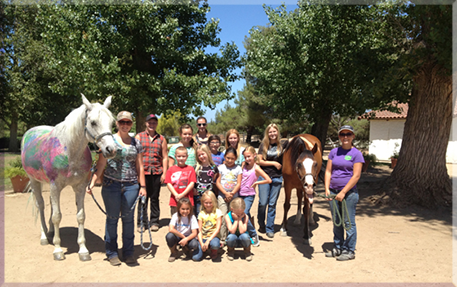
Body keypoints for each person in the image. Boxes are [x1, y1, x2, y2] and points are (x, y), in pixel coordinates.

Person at [86, 111, 146, 266]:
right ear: (117, 124)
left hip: (131, 185)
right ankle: (112, 252)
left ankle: (129, 252)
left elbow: (139, 166)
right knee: (112, 219)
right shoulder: (108, 140)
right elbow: (101, 163)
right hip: (111, 184)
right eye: (122, 122)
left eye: (128, 122)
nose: (125, 125)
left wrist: (143, 186)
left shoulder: (136, 143)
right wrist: (93, 181)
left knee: (128, 220)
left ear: (131, 124)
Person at [324, 125, 364, 261]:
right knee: (337, 221)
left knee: (348, 222)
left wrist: (343, 192)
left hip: (349, 194)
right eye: (342, 134)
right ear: (339, 137)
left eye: (348, 134)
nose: (345, 137)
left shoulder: (356, 154)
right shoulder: (333, 152)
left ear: (353, 136)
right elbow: (328, 171)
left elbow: (356, 176)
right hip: (333, 192)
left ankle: (349, 250)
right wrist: (327, 189)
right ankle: (338, 247)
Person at [136, 113, 168, 233]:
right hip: (143, 172)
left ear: (156, 124)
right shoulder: (139, 137)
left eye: (154, 122)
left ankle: (154, 221)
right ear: (146, 123)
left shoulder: (161, 139)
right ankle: (141, 222)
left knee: (155, 198)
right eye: (150, 122)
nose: (152, 124)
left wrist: (164, 173)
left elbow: (164, 157)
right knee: (142, 198)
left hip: (156, 172)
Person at [256, 123, 288, 239]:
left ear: (278, 132)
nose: (272, 134)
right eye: (270, 132)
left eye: (274, 131)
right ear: (267, 133)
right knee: (263, 202)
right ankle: (261, 224)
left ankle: (270, 228)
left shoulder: (283, 145)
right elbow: (259, 161)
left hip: (277, 177)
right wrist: (274, 163)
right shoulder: (263, 145)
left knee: (273, 204)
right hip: (264, 177)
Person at [215, 147, 242, 247]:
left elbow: (239, 183)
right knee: (222, 216)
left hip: (234, 197)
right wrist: (225, 193)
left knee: (233, 216)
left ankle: (232, 237)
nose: (230, 160)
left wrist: (231, 194)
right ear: (224, 157)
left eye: (232, 158)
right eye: (228, 158)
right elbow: (217, 182)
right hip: (222, 196)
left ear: (236, 158)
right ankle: (222, 238)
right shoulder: (220, 167)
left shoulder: (238, 168)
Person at [239, 146, 271, 227]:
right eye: (245, 157)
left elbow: (268, 180)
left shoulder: (257, 168)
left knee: (244, 213)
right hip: (240, 193)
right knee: (244, 213)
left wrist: (256, 183)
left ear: (254, 155)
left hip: (249, 194)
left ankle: (252, 232)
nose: (247, 159)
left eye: (249, 156)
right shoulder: (244, 166)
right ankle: (249, 228)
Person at [165, 146, 197, 216]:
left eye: (183, 156)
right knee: (175, 218)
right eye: (179, 156)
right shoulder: (171, 169)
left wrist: (182, 194)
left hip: (188, 199)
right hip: (175, 200)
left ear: (187, 156)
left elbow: (192, 183)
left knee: (189, 219)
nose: (181, 158)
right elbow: (168, 183)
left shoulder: (190, 169)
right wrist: (176, 195)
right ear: (175, 156)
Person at [165, 197, 199, 262]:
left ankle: (187, 249)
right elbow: (171, 229)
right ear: (179, 208)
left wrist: (186, 239)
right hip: (178, 236)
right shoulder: (175, 216)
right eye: (183, 209)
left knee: (194, 244)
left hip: (188, 237)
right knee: (169, 236)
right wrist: (183, 237)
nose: (185, 211)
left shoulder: (192, 217)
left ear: (190, 209)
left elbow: (194, 233)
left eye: (187, 209)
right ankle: (173, 252)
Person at [194, 190, 222, 261]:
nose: (208, 205)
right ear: (203, 203)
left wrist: (208, 241)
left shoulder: (218, 212)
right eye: (206, 203)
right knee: (196, 258)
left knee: (215, 244)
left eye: (210, 203)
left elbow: (218, 229)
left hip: (213, 237)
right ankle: (204, 249)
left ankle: (213, 251)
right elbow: (199, 230)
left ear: (214, 202)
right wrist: (201, 243)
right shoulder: (201, 213)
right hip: (203, 236)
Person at [193, 144, 219, 218]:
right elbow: (193, 181)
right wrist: (193, 189)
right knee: (199, 215)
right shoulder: (196, 168)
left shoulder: (214, 168)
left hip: (210, 197)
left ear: (208, 153)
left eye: (203, 154)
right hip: (199, 197)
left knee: (211, 215)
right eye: (199, 155)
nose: (201, 156)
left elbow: (213, 180)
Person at [225, 197, 252, 261]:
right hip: (233, 238)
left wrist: (240, 219)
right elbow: (232, 231)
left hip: (243, 238)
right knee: (231, 237)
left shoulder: (245, 216)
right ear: (232, 209)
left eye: (241, 213)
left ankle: (247, 252)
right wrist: (236, 220)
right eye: (237, 213)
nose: (239, 215)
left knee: (245, 236)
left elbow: (242, 231)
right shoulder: (227, 216)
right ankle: (231, 251)